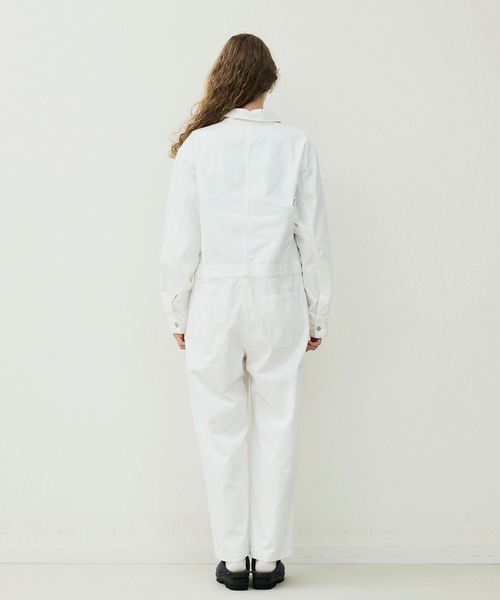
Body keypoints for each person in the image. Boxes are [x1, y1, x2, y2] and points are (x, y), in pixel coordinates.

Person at [160, 33, 333, 591]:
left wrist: (178, 313)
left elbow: (180, 243)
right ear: (269, 80)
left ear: (224, 78)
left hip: (214, 301)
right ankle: (270, 560)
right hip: (279, 300)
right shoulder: (296, 144)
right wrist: (317, 313)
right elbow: (313, 240)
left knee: (220, 429)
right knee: (278, 426)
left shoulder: (198, 146)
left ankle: (234, 561)